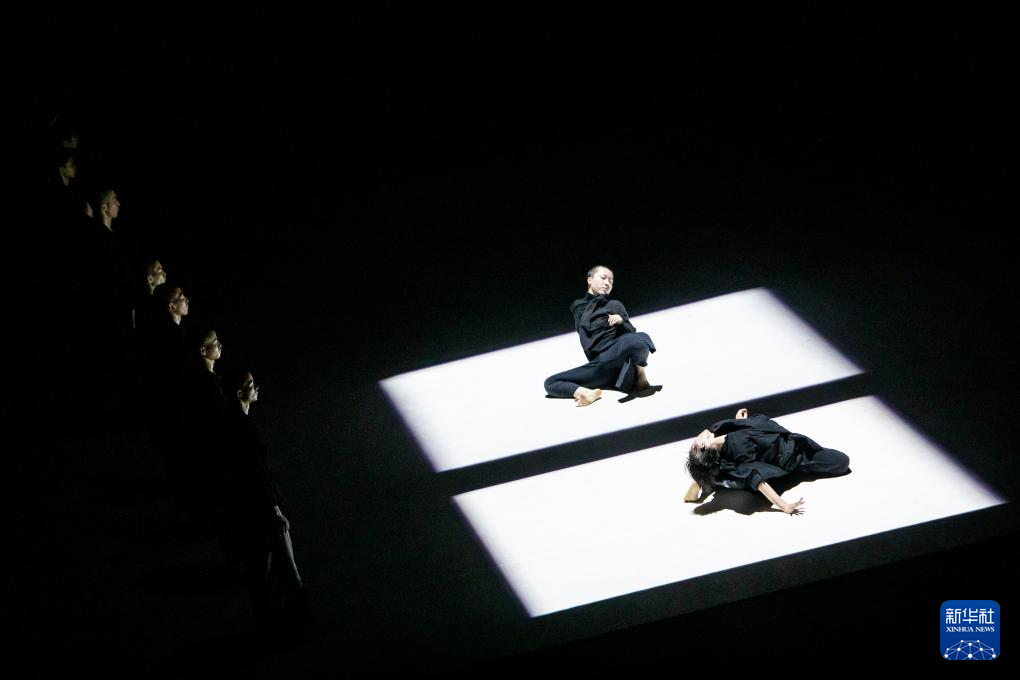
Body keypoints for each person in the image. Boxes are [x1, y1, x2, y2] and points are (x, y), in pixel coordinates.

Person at [216, 368, 310, 639]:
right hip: (262, 509)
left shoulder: (233, 424)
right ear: (240, 393)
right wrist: (275, 510)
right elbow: (256, 474)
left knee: (260, 569)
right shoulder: (243, 428)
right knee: (286, 566)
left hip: (250, 509)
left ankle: (267, 623)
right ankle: (299, 618)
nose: (256, 387)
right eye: (250, 384)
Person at [684, 408, 851, 514]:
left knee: (717, 474)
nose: (697, 438)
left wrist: (741, 421)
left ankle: (704, 477)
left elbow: (743, 432)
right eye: (695, 444)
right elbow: (759, 482)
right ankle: (703, 479)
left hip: (783, 444)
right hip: (792, 456)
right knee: (842, 462)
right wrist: (784, 506)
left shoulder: (717, 431)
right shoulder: (737, 453)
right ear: (703, 445)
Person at [544, 265, 661, 406]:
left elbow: (631, 332)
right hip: (598, 363)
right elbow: (585, 327)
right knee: (550, 382)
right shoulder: (578, 305)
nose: (607, 283)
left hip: (617, 357)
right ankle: (585, 393)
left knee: (639, 338)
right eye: (603, 278)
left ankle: (641, 377)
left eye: (611, 281)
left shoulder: (615, 305)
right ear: (589, 280)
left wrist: (621, 321)